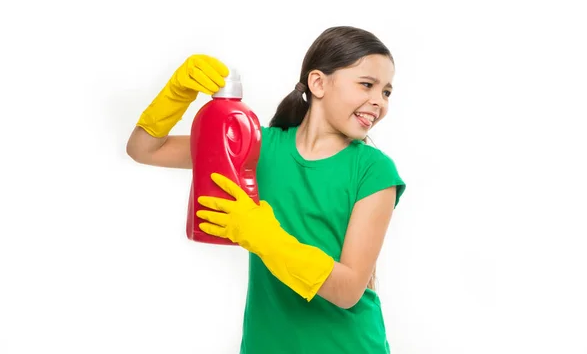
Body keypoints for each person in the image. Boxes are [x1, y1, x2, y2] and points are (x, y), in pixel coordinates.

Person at [126, 26, 407, 354]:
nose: (379, 102)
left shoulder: (374, 171)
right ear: (318, 83)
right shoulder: (256, 148)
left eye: (386, 92)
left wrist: (264, 237)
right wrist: (178, 93)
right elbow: (144, 149)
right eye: (367, 84)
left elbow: (348, 290)